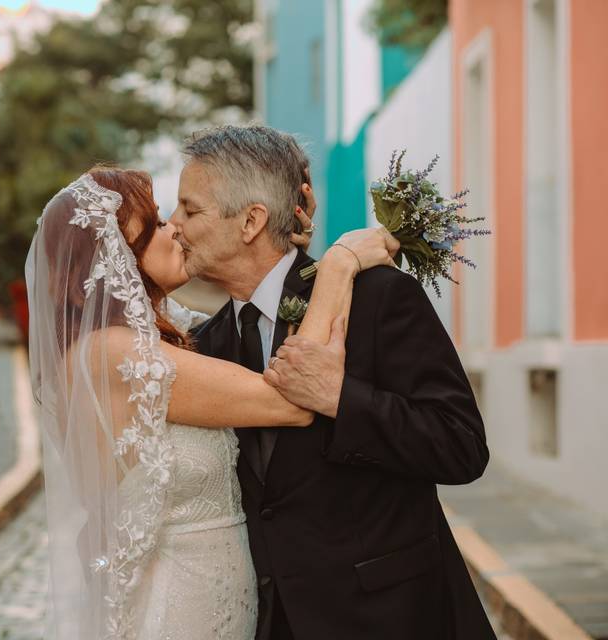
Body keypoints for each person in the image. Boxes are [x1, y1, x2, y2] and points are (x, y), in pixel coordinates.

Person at [25, 165, 396, 639]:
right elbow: (293, 399)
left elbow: (256, 316)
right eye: (157, 223)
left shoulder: (167, 336)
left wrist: (284, 249)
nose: (175, 228)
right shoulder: (112, 354)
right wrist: (339, 267)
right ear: (116, 255)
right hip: (177, 612)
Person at [170, 125, 495, 639]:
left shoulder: (378, 297)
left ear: (251, 221)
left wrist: (340, 399)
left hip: (393, 619)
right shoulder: (204, 346)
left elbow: (461, 446)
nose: (175, 226)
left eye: (190, 210)